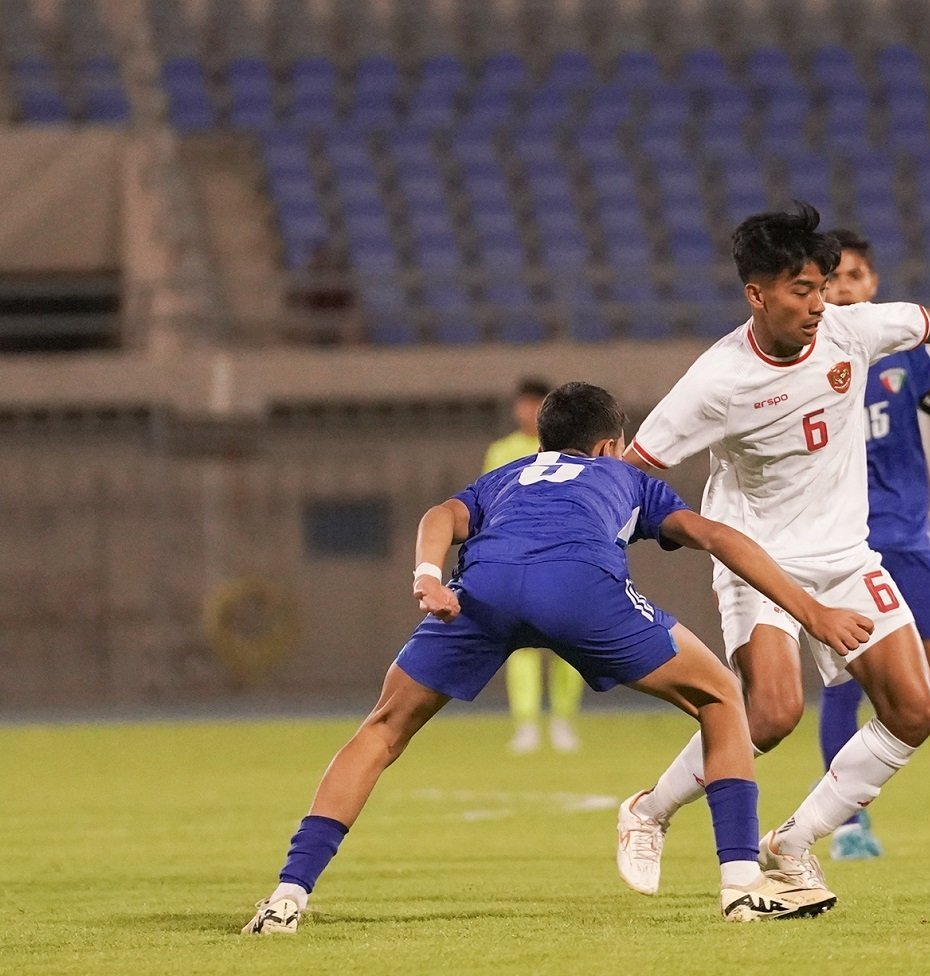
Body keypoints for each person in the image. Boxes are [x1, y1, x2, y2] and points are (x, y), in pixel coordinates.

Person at [243, 382, 873, 933]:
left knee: (382, 729)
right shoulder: (624, 476)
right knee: (721, 697)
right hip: (579, 589)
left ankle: (287, 896)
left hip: (481, 592)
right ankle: (741, 884)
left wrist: (428, 575)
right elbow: (715, 536)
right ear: (607, 445)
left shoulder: (504, 477)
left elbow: (441, 513)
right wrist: (812, 612)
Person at [614, 203, 930, 899]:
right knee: (771, 714)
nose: (819, 304)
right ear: (756, 294)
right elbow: (635, 467)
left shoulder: (850, 330)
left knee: (916, 709)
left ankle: (792, 840)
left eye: (822, 286)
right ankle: (648, 810)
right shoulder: (716, 381)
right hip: (760, 561)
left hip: (846, 557)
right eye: (800, 290)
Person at [810, 228, 930, 862]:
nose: (846, 287)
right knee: (844, 686)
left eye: (857, 275)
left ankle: (858, 769)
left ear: (874, 285)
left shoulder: (907, 353)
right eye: (833, 277)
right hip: (841, 544)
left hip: (910, 538)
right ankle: (846, 824)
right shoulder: (805, 356)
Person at [482, 379, 585, 753]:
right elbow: (491, 504)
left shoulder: (573, 450)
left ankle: (562, 720)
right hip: (518, 557)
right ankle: (526, 723)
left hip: (563, 556)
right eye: (523, 404)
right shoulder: (502, 450)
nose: (528, 412)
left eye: (536, 404)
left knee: (566, 644)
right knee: (520, 646)